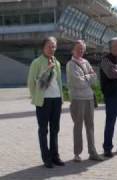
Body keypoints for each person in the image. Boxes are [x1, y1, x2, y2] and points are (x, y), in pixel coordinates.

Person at [27, 37, 65, 168]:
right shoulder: (36, 62)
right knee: (43, 130)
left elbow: (59, 82)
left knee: (55, 129)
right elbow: (32, 83)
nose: (52, 49)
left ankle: (55, 156)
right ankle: (46, 158)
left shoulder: (57, 62)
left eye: (54, 46)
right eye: (49, 46)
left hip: (56, 99)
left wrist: (61, 98)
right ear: (43, 47)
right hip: (43, 101)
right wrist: (36, 97)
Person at [66, 40, 104, 162]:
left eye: (82, 48)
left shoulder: (86, 62)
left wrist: (87, 77)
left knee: (90, 126)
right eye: (78, 48)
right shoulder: (71, 64)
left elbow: (95, 79)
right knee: (78, 126)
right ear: (73, 50)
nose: (80, 51)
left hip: (89, 98)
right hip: (77, 99)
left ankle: (92, 152)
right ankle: (77, 154)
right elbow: (78, 82)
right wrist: (89, 76)